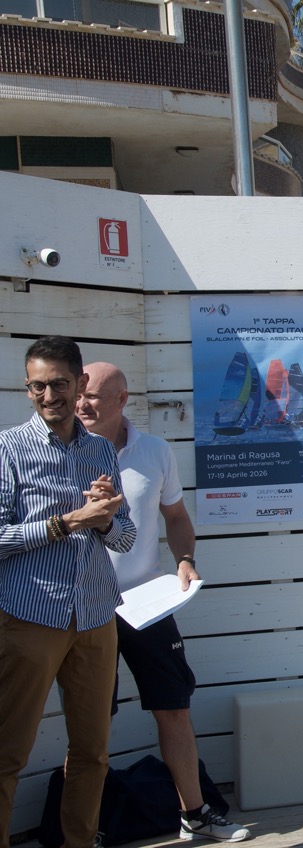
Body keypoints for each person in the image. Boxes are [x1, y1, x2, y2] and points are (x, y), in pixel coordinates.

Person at [76, 363, 251, 842]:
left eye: (92, 395)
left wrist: (185, 559)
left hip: (145, 604)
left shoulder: (154, 451)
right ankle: (84, 831)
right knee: (91, 723)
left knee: (174, 708)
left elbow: (175, 516)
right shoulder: (63, 451)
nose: (81, 403)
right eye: (78, 393)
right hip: (86, 609)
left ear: (122, 400)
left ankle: (195, 814)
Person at [0, 336, 136, 848]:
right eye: (37, 386)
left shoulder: (100, 449)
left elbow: (125, 537)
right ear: (26, 388)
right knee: (7, 754)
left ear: (80, 384)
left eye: (58, 383)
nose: (48, 395)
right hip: (30, 618)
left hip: (96, 618)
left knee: (92, 754)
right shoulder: (8, 449)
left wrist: (103, 520)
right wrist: (68, 522)